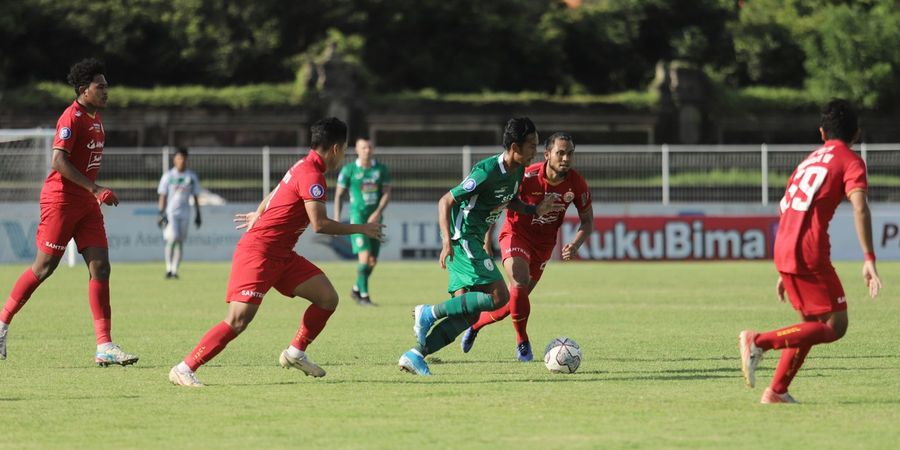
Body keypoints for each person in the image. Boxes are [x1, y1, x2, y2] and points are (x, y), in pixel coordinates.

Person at [168, 117, 383, 387]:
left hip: (282, 255)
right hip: (259, 253)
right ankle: (185, 367)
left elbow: (277, 191)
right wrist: (362, 228)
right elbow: (319, 224)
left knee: (327, 298)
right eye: (346, 149)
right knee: (238, 320)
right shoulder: (312, 175)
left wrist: (259, 211)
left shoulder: (302, 165)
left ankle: (295, 352)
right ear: (337, 149)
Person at [739, 99, 883, 404]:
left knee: (805, 326)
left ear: (821, 132)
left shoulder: (809, 161)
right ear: (856, 133)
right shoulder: (851, 161)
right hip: (809, 249)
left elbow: (785, 206)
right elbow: (860, 207)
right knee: (834, 326)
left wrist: (785, 265)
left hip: (785, 245)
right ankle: (759, 341)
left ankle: (777, 391)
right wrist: (869, 258)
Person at [398, 117, 563, 376]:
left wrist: (534, 209)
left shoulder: (517, 170)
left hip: (472, 240)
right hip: (463, 238)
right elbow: (445, 201)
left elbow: (509, 201)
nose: (536, 150)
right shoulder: (486, 172)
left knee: (468, 314)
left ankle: (416, 354)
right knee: (500, 296)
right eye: (531, 145)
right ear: (514, 147)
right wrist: (446, 242)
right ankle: (427, 312)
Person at [0, 58, 138, 366]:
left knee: (101, 268)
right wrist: (96, 189)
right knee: (44, 267)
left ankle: (105, 346)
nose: (106, 91)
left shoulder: (96, 118)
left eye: (107, 86)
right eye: (100, 87)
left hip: (87, 205)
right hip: (61, 201)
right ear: (82, 90)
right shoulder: (71, 118)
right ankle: (2, 322)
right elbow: (58, 162)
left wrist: (92, 193)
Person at [460, 132, 593, 361]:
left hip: (543, 245)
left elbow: (587, 220)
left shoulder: (577, 184)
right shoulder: (527, 175)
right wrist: (488, 238)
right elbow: (501, 200)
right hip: (515, 234)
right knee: (519, 283)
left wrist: (575, 244)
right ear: (547, 154)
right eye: (560, 153)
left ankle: (476, 325)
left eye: (570, 153)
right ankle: (523, 343)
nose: (565, 158)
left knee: (513, 304)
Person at [334, 138, 392, 306]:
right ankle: (364, 296)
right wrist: (337, 218)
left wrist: (378, 212)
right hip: (358, 219)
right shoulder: (349, 170)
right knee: (364, 257)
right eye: (363, 147)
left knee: (373, 261)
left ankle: (356, 289)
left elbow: (387, 193)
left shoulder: (380, 169)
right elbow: (338, 195)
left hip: (376, 219)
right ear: (357, 150)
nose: (367, 150)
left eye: (369, 147)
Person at [157, 147, 202, 279]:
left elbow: (195, 196)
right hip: (171, 213)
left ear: (186, 159)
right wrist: (161, 213)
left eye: (183, 158)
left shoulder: (191, 177)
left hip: (185, 213)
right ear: (174, 160)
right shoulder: (168, 176)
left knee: (180, 241)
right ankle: (168, 268)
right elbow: (162, 195)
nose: (180, 160)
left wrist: (198, 214)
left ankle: (175, 270)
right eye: (178, 158)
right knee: (172, 238)